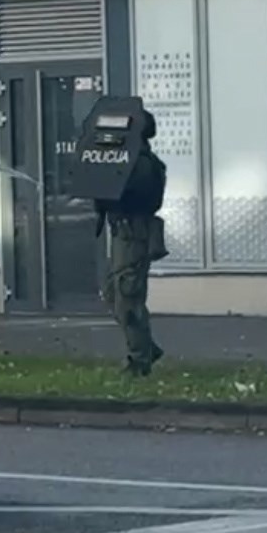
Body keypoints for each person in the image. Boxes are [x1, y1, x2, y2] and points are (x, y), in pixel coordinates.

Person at [96, 109, 166, 376]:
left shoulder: (143, 163)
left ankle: (139, 360)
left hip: (134, 234)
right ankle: (146, 346)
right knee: (113, 293)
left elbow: (137, 197)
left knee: (128, 297)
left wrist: (108, 188)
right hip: (123, 233)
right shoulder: (129, 159)